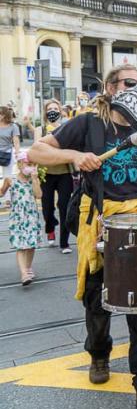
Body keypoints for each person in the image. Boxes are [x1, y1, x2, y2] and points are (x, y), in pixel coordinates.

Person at [28, 64, 137, 408]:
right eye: (130, 82)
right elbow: (36, 151)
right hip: (98, 216)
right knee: (98, 299)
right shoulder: (88, 123)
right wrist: (75, 155)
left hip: (136, 214)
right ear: (111, 87)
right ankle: (98, 353)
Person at [36, 99, 74, 253]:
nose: (53, 111)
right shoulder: (41, 129)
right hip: (46, 173)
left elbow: (71, 146)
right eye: (50, 109)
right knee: (47, 207)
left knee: (65, 206)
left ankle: (64, 243)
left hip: (64, 173)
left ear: (60, 111)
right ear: (45, 112)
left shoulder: (66, 128)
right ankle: (50, 227)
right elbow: (36, 148)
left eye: (55, 108)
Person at [2, 151, 42, 285]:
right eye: (27, 164)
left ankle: (28, 267)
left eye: (32, 165)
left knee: (31, 245)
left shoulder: (33, 179)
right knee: (21, 246)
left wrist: (35, 179)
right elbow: (2, 192)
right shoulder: (10, 180)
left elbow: (38, 195)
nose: (29, 167)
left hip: (31, 216)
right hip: (18, 218)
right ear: (19, 164)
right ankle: (24, 273)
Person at [0, 106, 21, 189]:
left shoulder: (13, 126)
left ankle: (7, 198)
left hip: (7, 154)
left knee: (7, 177)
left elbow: (16, 142)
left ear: (4, 115)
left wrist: (17, 153)